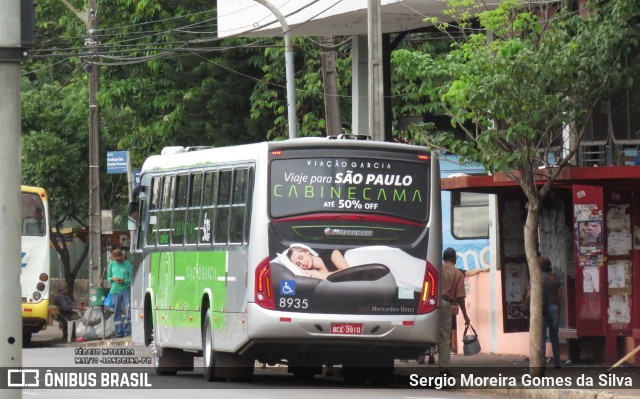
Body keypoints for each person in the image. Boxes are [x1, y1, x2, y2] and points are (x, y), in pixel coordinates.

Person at [438, 247, 470, 375]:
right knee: (445, 337)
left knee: (431, 333)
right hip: (446, 304)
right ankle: (443, 369)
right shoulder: (457, 273)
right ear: (453, 258)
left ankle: (425, 356)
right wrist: (465, 315)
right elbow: (460, 297)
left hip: (431, 303)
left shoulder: (437, 268)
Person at [539, 255, 562, 368]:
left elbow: (530, 294)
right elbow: (560, 296)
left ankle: (541, 362)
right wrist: (559, 308)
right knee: (554, 336)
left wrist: (525, 302)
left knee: (541, 337)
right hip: (554, 307)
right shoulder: (554, 277)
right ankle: (557, 362)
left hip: (541, 308)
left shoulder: (537, 277)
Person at [107, 247, 132, 338]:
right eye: (116, 259)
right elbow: (108, 278)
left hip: (125, 290)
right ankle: (118, 332)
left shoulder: (128, 264)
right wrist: (112, 279)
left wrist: (124, 281)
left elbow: (131, 279)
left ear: (122, 256)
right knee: (116, 312)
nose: (118, 260)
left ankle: (127, 331)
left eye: (119, 258)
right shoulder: (112, 265)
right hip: (114, 291)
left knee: (128, 310)